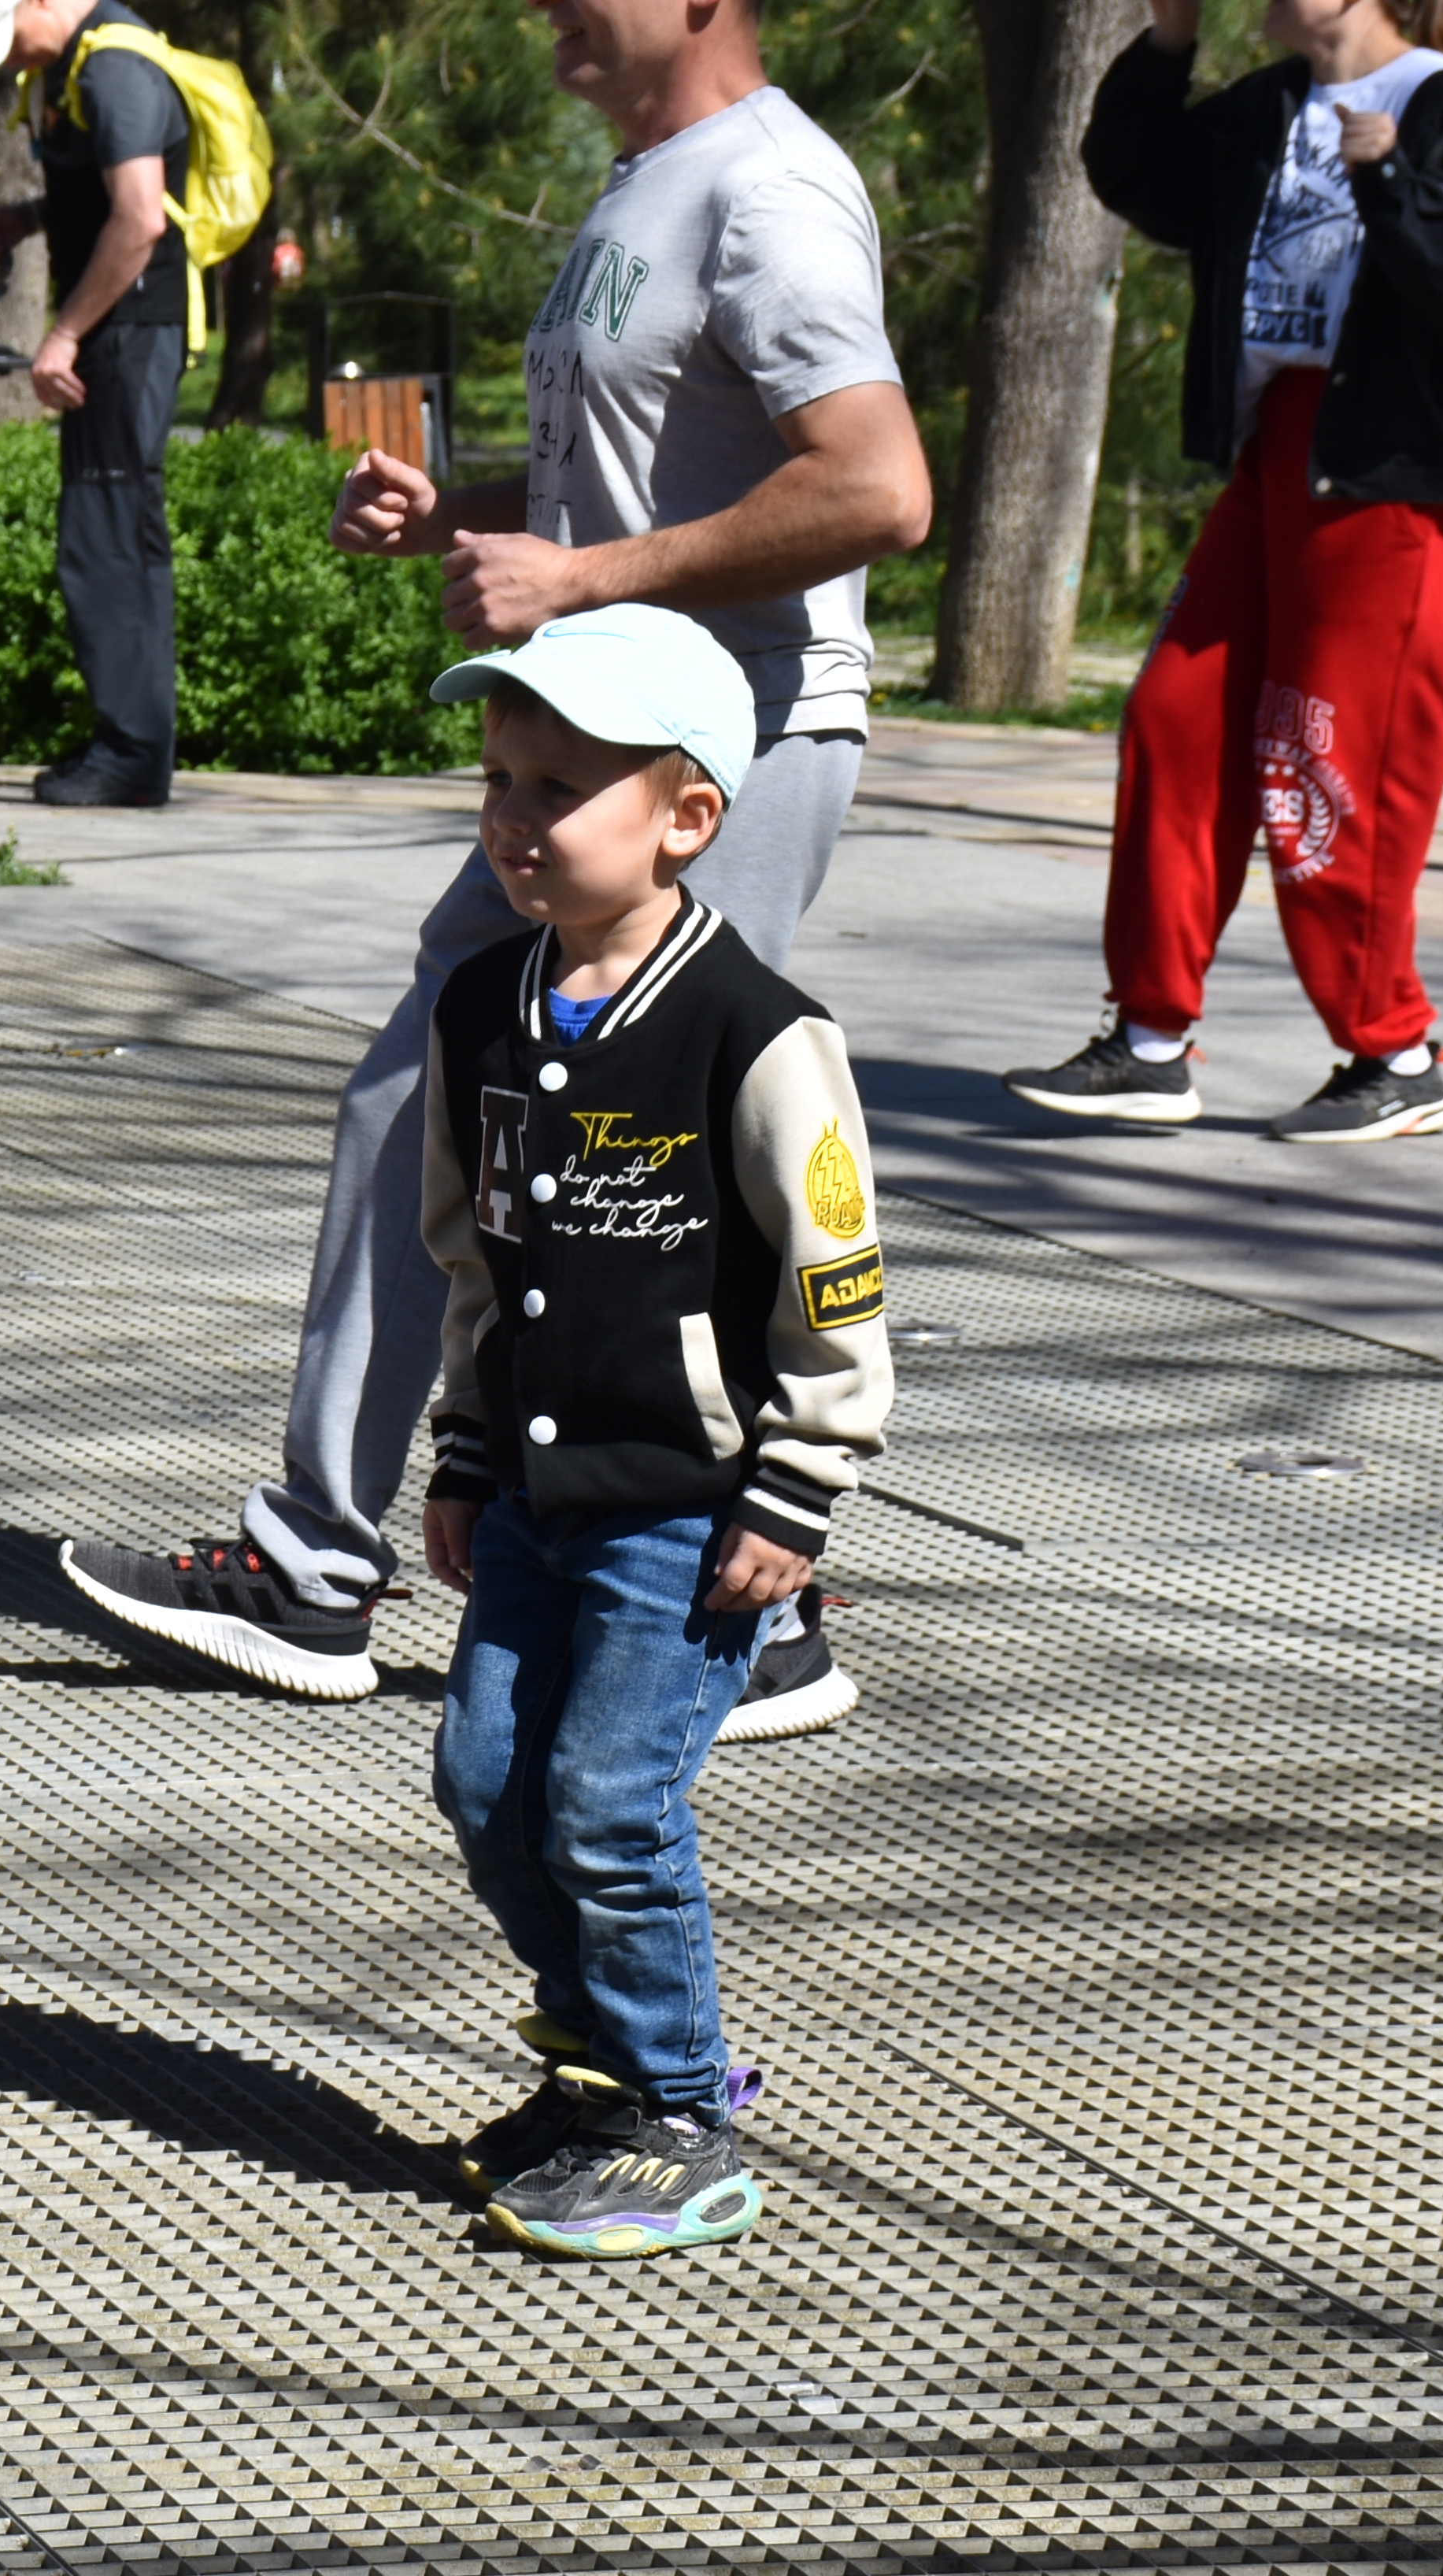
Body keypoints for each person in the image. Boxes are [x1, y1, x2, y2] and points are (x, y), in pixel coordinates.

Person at [61, 0, 929, 1723]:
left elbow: (877, 485)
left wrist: (588, 573)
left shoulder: (767, 191)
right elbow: (646, 475)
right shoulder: (643, 187)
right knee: (432, 1099)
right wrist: (465, 513)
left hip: (729, 748)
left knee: (666, 1154)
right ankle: (318, 1561)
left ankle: (747, 1603)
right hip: (608, 735)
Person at [409, 603, 891, 2257]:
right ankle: (603, 2065)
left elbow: (836, 1272)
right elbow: (470, 1249)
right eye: (500, 780)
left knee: (611, 1802)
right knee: (485, 1779)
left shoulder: (754, 1030)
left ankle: (682, 2105)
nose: (516, 819)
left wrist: (801, 1482)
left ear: (688, 815)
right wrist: (466, 1445)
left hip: (694, 1504)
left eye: (559, 787)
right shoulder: (486, 1005)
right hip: (540, 1484)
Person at [1002, 0, 1443, 1145]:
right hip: (1280, 455)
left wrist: (1392, 181)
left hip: (1406, 487)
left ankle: (1394, 1052)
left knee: (1330, 771)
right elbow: (1136, 176)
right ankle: (1152, 1039)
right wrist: (1165, 49)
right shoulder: (1274, 105)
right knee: (1176, 714)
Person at [0, 0, 191, 810]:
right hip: (120, 332)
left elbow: (137, 221)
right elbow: (98, 197)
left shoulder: (114, 69)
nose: (10, 57)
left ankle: (129, 757)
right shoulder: (84, 63)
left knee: (109, 535)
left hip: (129, 333)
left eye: (9, 36)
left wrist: (62, 334)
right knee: (111, 529)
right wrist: (22, 220)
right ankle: (129, 744)